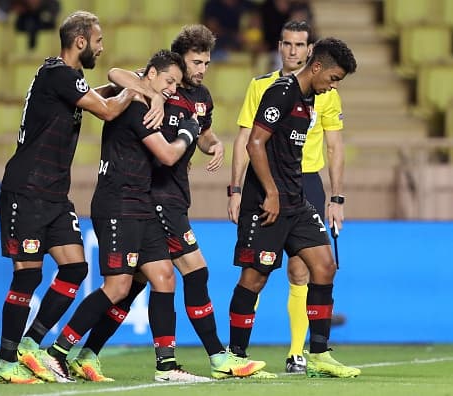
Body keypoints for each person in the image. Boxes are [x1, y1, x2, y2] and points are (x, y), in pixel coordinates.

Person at [67, 24, 267, 382]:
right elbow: (115, 73)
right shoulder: (159, 86)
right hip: (156, 198)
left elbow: (201, 133)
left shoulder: (202, 96)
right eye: (196, 61)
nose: (201, 69)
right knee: (196, 270)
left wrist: (215, 144)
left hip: (174, 196)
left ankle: (88, 352)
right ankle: (219, 357)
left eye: (206, 62)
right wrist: (153, 93)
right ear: (178, 60)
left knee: (137, 286)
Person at [0, 10, 142, 384]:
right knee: (27, 277)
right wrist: (137, 90)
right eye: (98, 40)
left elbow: (98, 96)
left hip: (54, 194)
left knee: (75, 268)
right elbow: (108, 110)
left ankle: (31, 344)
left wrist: (135, 82)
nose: (101, 47)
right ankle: (6, 362)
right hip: (26, 189)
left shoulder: (66, 77)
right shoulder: (57, 74)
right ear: (81, 41)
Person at [45, 49, 210, 383]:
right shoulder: (135, 106)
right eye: (168, 81)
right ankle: (56, 353)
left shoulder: (146, 101)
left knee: (164, 275)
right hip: (118, 204)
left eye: (176, 85)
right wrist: (190, 131)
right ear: (149, 74)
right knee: (119, 286)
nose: (172, 90)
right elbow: (166, 155)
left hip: (141, 205)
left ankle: (166, 366)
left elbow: (121, 75)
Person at [226, 36, 360, 378]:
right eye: (332, 79)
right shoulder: (282, 92)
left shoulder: (309, 100)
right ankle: (235, 356)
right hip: (266, 201)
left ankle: (317, 353)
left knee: (325, 265)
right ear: (317, 67)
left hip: (296, 200)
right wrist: (269, 192)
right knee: (254, 278)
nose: (332, 88)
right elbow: (255, 142)